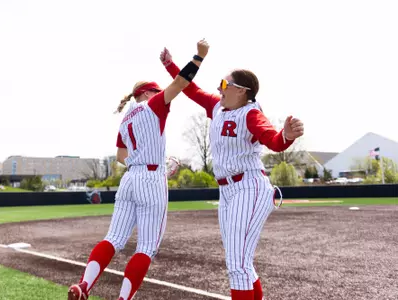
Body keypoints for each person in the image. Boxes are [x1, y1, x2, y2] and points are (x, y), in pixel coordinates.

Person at [67, 39, 210, 300]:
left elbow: (122, 156)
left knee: (113, 239)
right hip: (150, 178)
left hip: (130, 178)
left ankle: (84, 286)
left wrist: (145, 162)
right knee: (145, 247)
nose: (160, 94)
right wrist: (198, 57)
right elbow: (181, 82)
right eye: (155, 91)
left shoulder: (125, 119)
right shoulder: (152, 105)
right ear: (146, 94)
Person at [159, 48, 304, 300]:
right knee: (242, 263)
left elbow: (274, 140)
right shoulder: (218, 107)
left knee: (236, 265)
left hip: (249, 187)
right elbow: (190, 89)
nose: (219, 87)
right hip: (227, 191)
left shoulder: (251, 114)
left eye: (225, 83)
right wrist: (171, 66)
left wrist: (287, 136)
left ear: (242, 91)